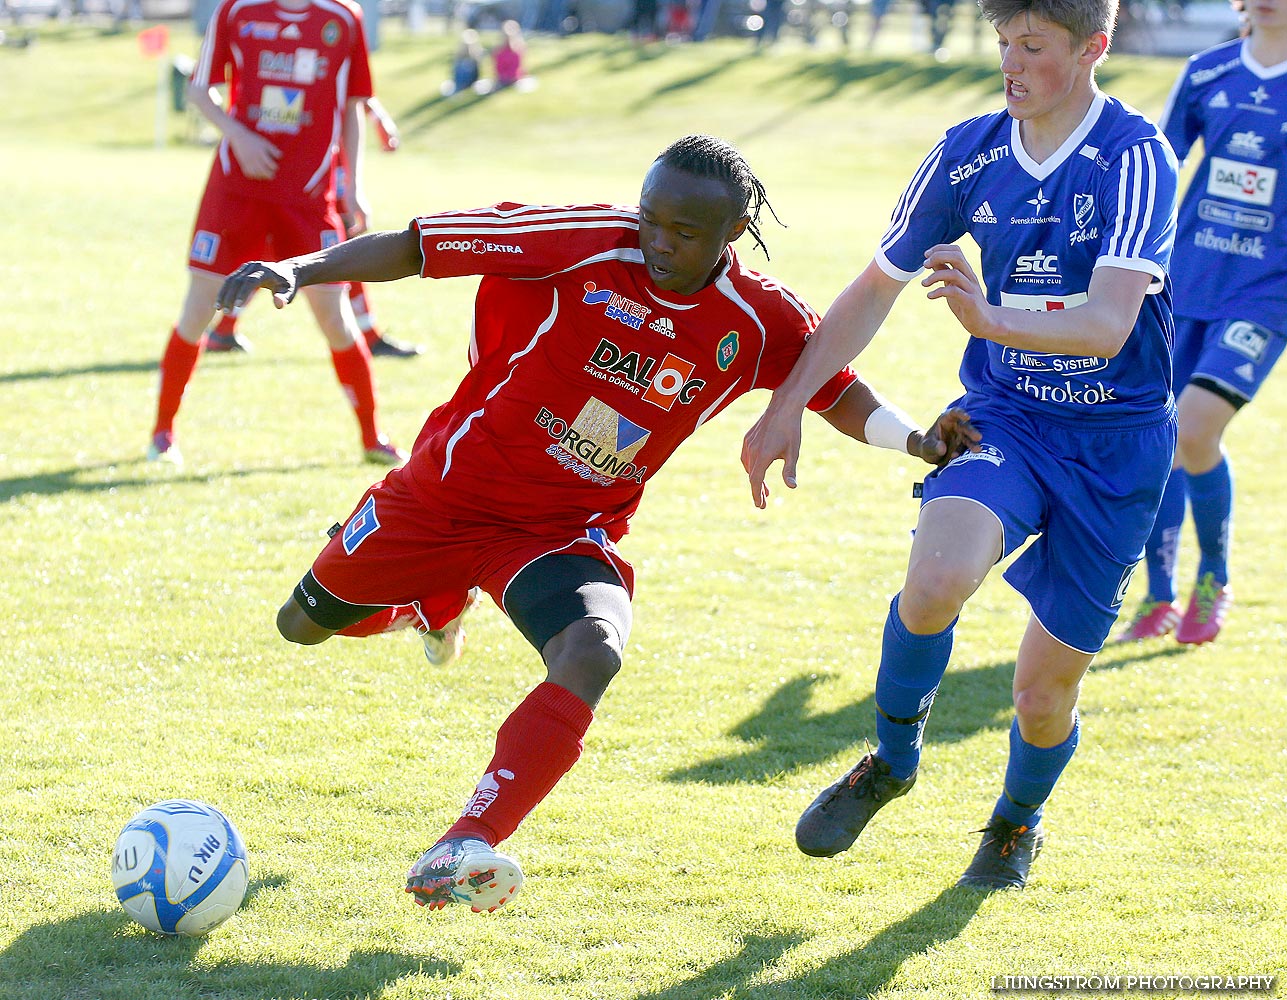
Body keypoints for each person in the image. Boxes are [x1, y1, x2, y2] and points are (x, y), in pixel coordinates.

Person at [215, 134, 979, 913]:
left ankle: (463, 843)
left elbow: (833, 386)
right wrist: (298, 269)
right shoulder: (580, 243)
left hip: (559, 530)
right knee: (300, 625)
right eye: (650, 218)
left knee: (593, 650)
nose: (656, 241)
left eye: (683, 233)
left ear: (733, 236)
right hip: (442, 498)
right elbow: (421, 244)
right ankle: (431, 605)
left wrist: (917, 440)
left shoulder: (755, 321)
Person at [742, 0, 1179, 891]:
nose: (1010, 65)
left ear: (1092, 49)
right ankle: (891, 761)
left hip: (1117, 448)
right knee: (935, 579)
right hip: (1005, 415)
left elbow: (1105, 325)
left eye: (1033, 47)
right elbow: (875, 287)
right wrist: (787, 402)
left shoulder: (1136, 158)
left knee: (1040, 695)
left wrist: (986, 316)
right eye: (1002, 44)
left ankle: (1015, 823)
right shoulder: (968, 149)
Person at [146, 0, 406, 468]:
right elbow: (201, 90)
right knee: (197, 309)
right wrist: (239, 137)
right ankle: (162, 434)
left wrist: (354, 189)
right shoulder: (237, 10)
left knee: (336, 317)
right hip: (236, 192)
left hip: (309, 197)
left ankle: (373, 437)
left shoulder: (343, 19)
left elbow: (351, 108)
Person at [1117, 0, 1286, 646]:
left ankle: (1212, 580)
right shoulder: (1207, 71)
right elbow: (1157, 171)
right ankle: (1158, 596)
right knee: (1161, 441)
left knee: (1194, 427)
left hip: (1264, 296)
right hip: (1183, 284)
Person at [205, 100, 425, 359]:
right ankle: (369, 337)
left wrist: (377, 116)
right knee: (338, 250)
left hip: (324, 155)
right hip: (314, 159)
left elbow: (353, 86)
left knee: (324, 247)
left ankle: (224, 328)